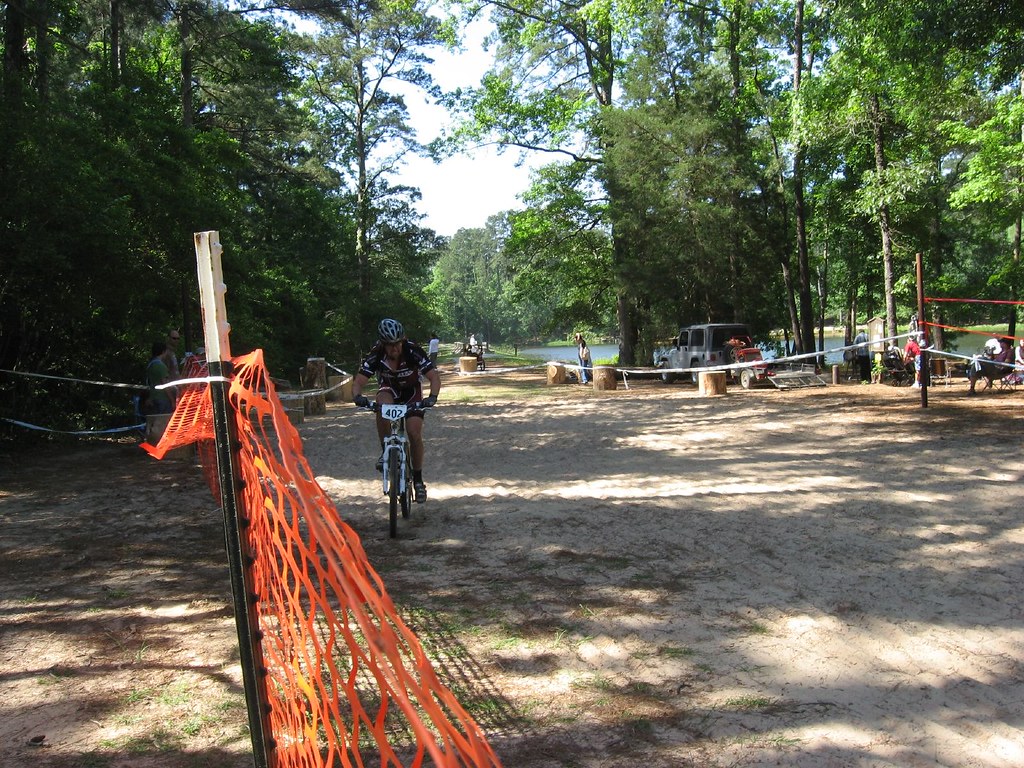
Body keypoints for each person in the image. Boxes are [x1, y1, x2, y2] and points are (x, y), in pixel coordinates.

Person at [352, 318, 441, 503]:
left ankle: (418, 480)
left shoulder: (412, 350)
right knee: (381, 407)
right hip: (389, 389)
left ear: (403, 340)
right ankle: (386, 451)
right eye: (390, 345)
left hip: (412, 392)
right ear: (383, 344)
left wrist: (432, 397)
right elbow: (359, 380)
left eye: (398, 344)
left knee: (414, 432)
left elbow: (434, 377)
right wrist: (357, 396)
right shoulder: (376, 353)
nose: (395, 349)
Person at [143, 341, 176, 414]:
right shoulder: (161, 366)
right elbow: (165, 385)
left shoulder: (150, 365)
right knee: (164, 421)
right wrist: (172, 400)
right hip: (163, 399)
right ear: (163, 351)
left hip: (153, 398)